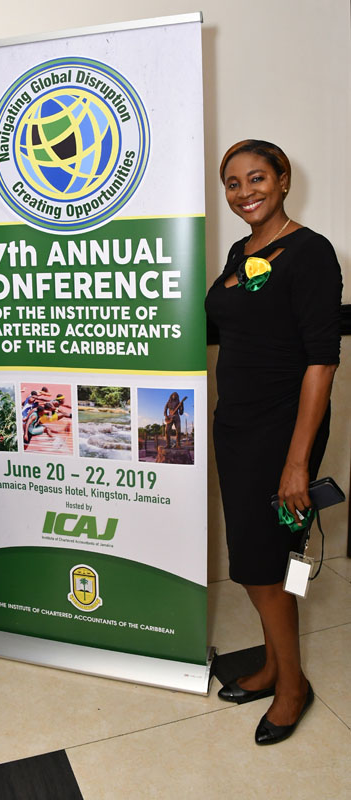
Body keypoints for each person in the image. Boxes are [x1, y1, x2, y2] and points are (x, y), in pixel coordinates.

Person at [205, 140, 342, 745]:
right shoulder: (242, 251)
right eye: (232, 183)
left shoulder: (311, 253)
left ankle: (293, 687)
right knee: (255, 558)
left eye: (256, 178)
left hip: (282, 433)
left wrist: (297, 464)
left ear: (283, 179)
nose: (244, 193)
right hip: (236, 427)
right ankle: (272, 666)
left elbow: (321, 362)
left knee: (268, 566)